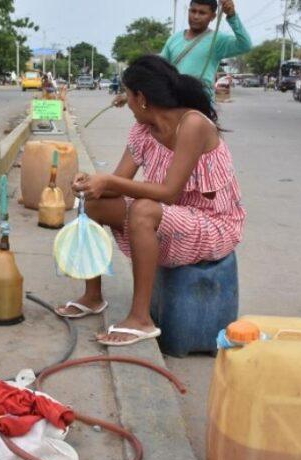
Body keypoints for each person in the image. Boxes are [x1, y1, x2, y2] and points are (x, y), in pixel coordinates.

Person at [57, 55, 245, 346]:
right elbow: (118, 183)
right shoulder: (143, 131)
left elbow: (169, 192)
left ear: (141, 98)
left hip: (212, 224)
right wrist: (91, 183)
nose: (127, 104)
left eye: (129, 96)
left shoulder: (193, 124)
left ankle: (141, 318)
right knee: (92, 205)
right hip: (171, 216)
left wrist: (109, 181)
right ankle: (93, 296)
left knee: (144, 210)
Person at [114, 0, 250, 107]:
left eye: (202, 13)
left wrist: (232, 16)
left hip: (200, 104)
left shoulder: (218, 40)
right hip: (173, 101)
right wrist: (129, 95)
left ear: (213, 16)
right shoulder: (174, 39)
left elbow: (245, 45)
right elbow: (157, 70)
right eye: (193, 11)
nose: (196, 16)